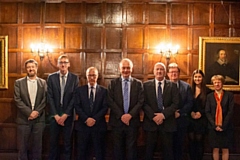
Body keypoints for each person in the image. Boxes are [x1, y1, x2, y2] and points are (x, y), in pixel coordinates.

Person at [107, 58, 144, 160]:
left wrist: (130, 115)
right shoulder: (113, 83)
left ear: (132, 69)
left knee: (132, 149)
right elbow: (110, 101)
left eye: (128, 68)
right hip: (117, 122)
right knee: (117, 149)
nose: (126, 70)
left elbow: (140, 101)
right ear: (119, 69)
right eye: (123, 68)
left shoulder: (138, 84)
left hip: (132, 122)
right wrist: (122, 116)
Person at [143, 62, 179, 160]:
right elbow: (143, 103)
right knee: (149, 151)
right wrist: (153, 116)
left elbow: (175, 104)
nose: (159, 71)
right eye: (157, 69)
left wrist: (163, 115)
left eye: (161, 69)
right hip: (151, 123)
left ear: (165, 72)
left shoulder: (173, 86)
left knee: (168, 151)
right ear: (154, 71)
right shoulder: (145, 85)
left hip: (167, 122)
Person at [47, 55, 79, 160]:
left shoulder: (74, 78)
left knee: (67, 143)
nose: (63, 64)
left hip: (68, 116)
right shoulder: (51, 77)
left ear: (69, 64)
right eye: (61, 62)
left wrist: (65, 115)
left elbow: (75, 98)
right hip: (54, 115)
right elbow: (49, 97)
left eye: (65, 62)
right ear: (58, 64)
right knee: (53, 143)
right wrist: (56, 115)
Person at [14, 59, 46, 160]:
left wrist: (37, 112)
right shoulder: (18, 82)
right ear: (26, 69)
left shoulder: (43, 83)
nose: (31, 69)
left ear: (36, 68)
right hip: (23, 120)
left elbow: (45, 99)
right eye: (28, 67)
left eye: (33, 67)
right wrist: (29, 113)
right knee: (22, 147)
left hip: (39, 120)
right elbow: (17, 99)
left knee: (37, 147)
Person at [74, 67, 108, 160]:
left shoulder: (104, 91)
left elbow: (105, 107)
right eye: (90, 75)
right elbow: (77, 106)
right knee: (82, 153)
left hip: (98, 126)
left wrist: (94, 119)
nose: (92, 77)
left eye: (94, 75)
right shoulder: (79, 90)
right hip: (83, 126)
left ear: (97, 77)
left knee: (99, 152)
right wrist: (86, 119)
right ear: (86, 76)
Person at [167, 63, 193, 160]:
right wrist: (170, 113)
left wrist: (180, 113)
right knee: (168, 147)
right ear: (168, 74)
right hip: (167, 121)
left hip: (181, 121)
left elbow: (190, 103)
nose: (174, 74)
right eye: (172, 72)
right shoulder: (163, 86)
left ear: (179, 73)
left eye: (176, 72)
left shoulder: (186, 87)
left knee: (179, 146)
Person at [205, 75, 234, 160]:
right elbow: (207, 111)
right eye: (215, 82)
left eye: (219, 82)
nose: (217, 84)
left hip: (226, 126)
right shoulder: (209, 96)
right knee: (215, 148)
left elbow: (230, 111)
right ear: (213, 84)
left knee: (225, 148)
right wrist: (215, 125)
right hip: (213, 127)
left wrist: (223, 126)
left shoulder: (229, 95)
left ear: (222, 83)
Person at [188, 69, 212, 160]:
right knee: (191, 141)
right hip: (190, 119)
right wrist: (191, 112)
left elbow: (209, 106)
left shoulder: (208, 91)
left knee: (199, 141)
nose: (197, 78)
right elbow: (186, 103)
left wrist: (200, 113)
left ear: (203, 78)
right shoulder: (189, 90)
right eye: (195, 77)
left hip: (202, 119)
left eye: (199, 77)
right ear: (193, 78)